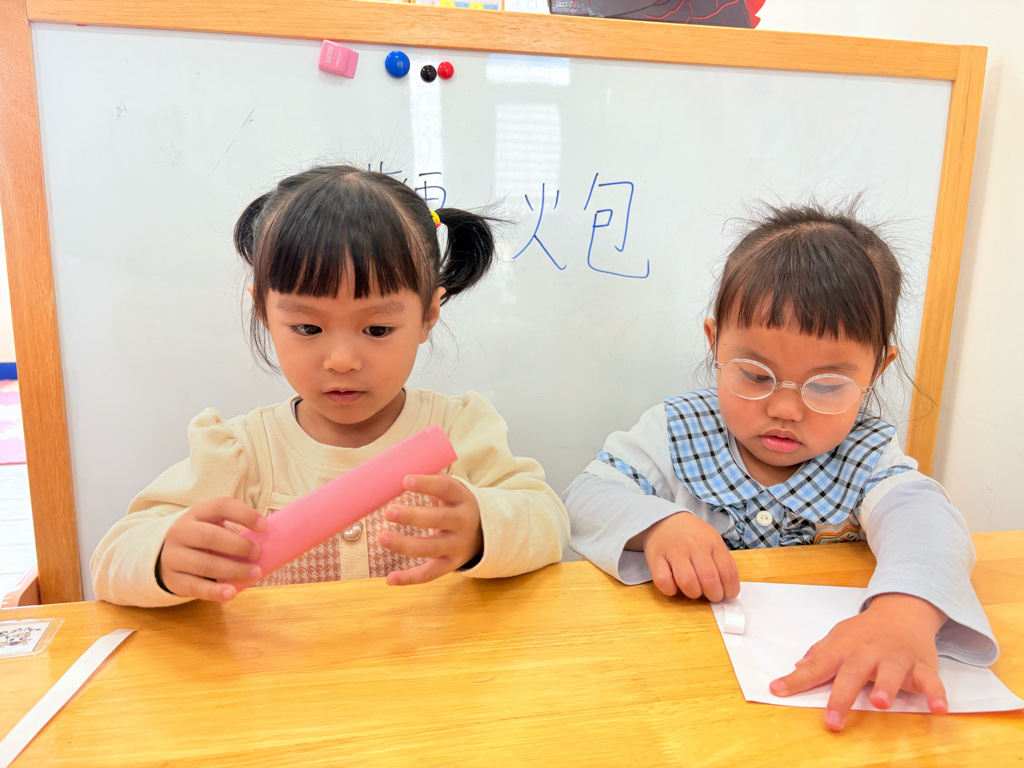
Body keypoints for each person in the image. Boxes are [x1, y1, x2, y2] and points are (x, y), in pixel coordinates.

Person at [564, 202, 998, 731]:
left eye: (828, 386)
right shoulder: (676, 430)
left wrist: (903, 611)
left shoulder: (866, 455)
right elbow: (585, 497)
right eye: (754, 374)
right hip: (679, 687)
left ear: (877, 369)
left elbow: (927, 521)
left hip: (809, 704)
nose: (786, 409)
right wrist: (658, 525)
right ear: (715, 341)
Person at [92, 164, 569, 608]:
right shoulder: (240, 452)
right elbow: (113, 559)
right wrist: (164, 557)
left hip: (432, 669)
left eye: (377, 329)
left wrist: (482, 528)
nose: (341, 362)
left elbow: (547, 521)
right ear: (264, 312)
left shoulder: (459, 431)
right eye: (308, 328)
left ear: (428, 315)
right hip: (284, 670)